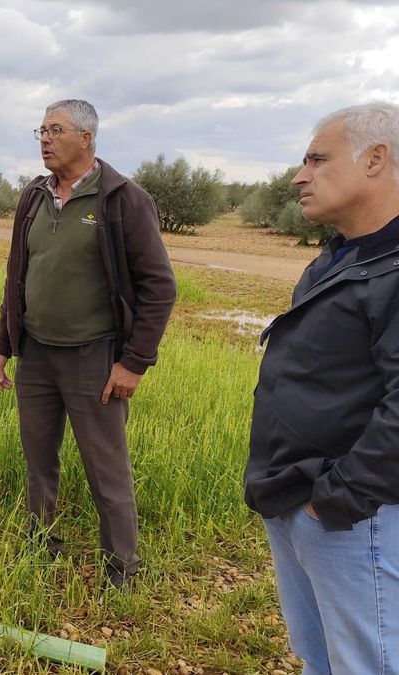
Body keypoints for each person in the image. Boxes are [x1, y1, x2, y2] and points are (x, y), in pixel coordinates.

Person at [0, 99, 176, 588]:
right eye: (41, 131)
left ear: (86, 137)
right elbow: (17, 275)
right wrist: (3, 343)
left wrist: (134, 362)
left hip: (94, 358)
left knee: (106, 469)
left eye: (56, 130)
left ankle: (122, 570)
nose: (45, 140)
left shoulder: (123, 199)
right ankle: (40, 546)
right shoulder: (34, 196)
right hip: (36, 354)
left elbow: (159, 288)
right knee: (38, 460)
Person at [245, 102, 399, 673]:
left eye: (316, 159)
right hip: (299, 499)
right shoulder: (339, 258)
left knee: (365, 665)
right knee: (319, 659)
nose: (298, 176)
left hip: (355, 517)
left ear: (375, 159)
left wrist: (334, 500)